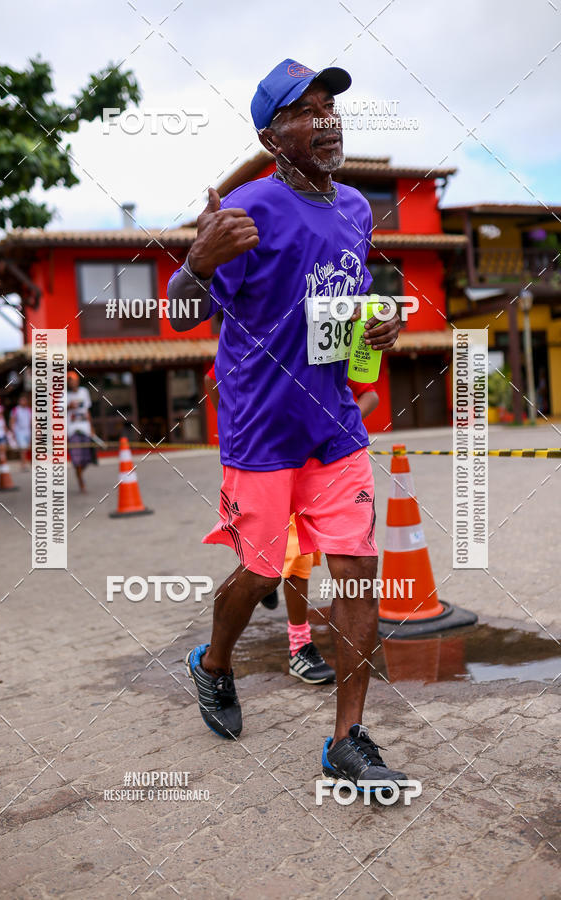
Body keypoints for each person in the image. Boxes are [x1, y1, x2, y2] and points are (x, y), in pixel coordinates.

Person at [169, 58, 406, 791]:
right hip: (261, 433)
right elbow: (181, 312)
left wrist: (378, 326)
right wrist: (196, 264)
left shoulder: (358, 209)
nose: (327, 119)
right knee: (264, 570)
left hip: (335, 427)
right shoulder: (250, 211)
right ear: (275, 137)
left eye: (330, 105)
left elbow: (347, 300)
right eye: (307, 110)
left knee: (359, 572)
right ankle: (213, 664)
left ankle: (347, 739)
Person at [205, 361, 334, 684]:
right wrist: (239, 429)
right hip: (265, 462)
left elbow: (367, 392)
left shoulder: (324, 337)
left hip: (313, 462)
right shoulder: (260, 340)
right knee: (283, 561)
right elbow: (212, 380)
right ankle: (298, 646)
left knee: (298, 559)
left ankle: (292, 632)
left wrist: (337, 426)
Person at [66, 370, 93, 493]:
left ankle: (80, 473)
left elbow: (87, 411)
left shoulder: (84, 392)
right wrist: (68, 407)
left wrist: (91, 428)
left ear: (77, 381)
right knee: (76, 459)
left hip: (85, 428)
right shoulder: (63, 396)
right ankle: (81, 481)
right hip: (72, 430)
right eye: (69, 381)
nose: (72, 383)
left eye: (73, 380)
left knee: (87, 458)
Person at [10, 393, 32, 470]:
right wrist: (13, 432)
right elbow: (12, 421)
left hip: (27, 431)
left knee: (26, 448)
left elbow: (32, 421)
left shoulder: (29, 410)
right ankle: (23, 464)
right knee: (22, 448)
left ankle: (26, 463)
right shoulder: (16, 410)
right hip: (19, 431)